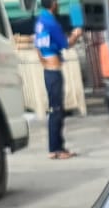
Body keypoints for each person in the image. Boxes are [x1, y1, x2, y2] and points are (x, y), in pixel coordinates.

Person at [34, 0, 76, 160]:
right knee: (57, 110)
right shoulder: (52, 23)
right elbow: (66, 44)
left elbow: (37, 47)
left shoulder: (40, 22)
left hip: (48, 70)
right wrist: (76, 34)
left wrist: (44, 62)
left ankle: (58, 147)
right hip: (54, 72)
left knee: (55, 109)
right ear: (52, 4)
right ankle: (56, 149)